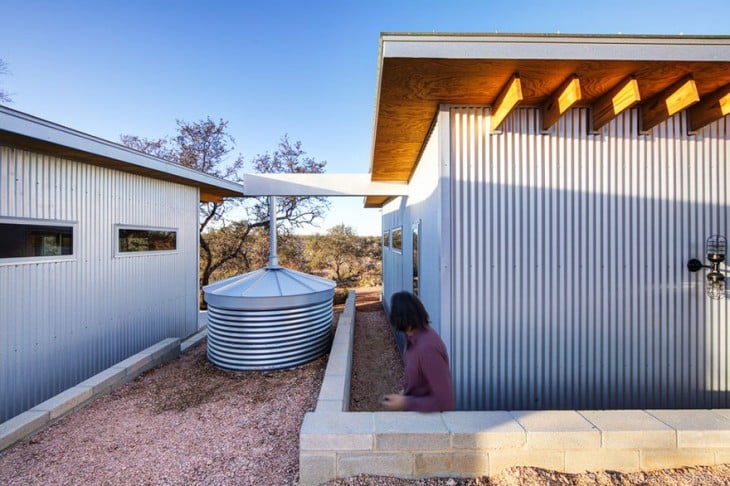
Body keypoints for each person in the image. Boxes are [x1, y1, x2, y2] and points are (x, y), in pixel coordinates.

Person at [380, 291, 454, 412]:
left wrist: (405, 402)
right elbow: (419, 378)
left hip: (429, 420)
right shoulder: (411, 337)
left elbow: (445, 401)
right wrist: (405, 393)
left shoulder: (427, 349)